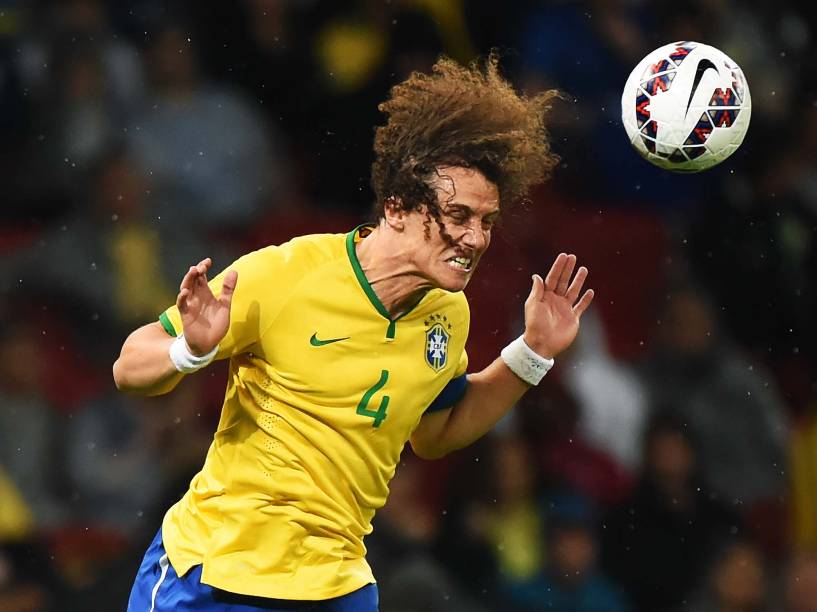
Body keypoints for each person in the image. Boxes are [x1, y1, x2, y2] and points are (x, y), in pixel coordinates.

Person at [113, 55, 594, 612]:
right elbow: (129, 367)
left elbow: (435, 431)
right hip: (212, 577)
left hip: (336, 587)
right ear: (396, 207)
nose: (475, 238)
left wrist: (530, 355)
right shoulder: (285, 274)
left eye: (486, 221)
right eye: (458, 215)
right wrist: (190, 350)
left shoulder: (447, 313)